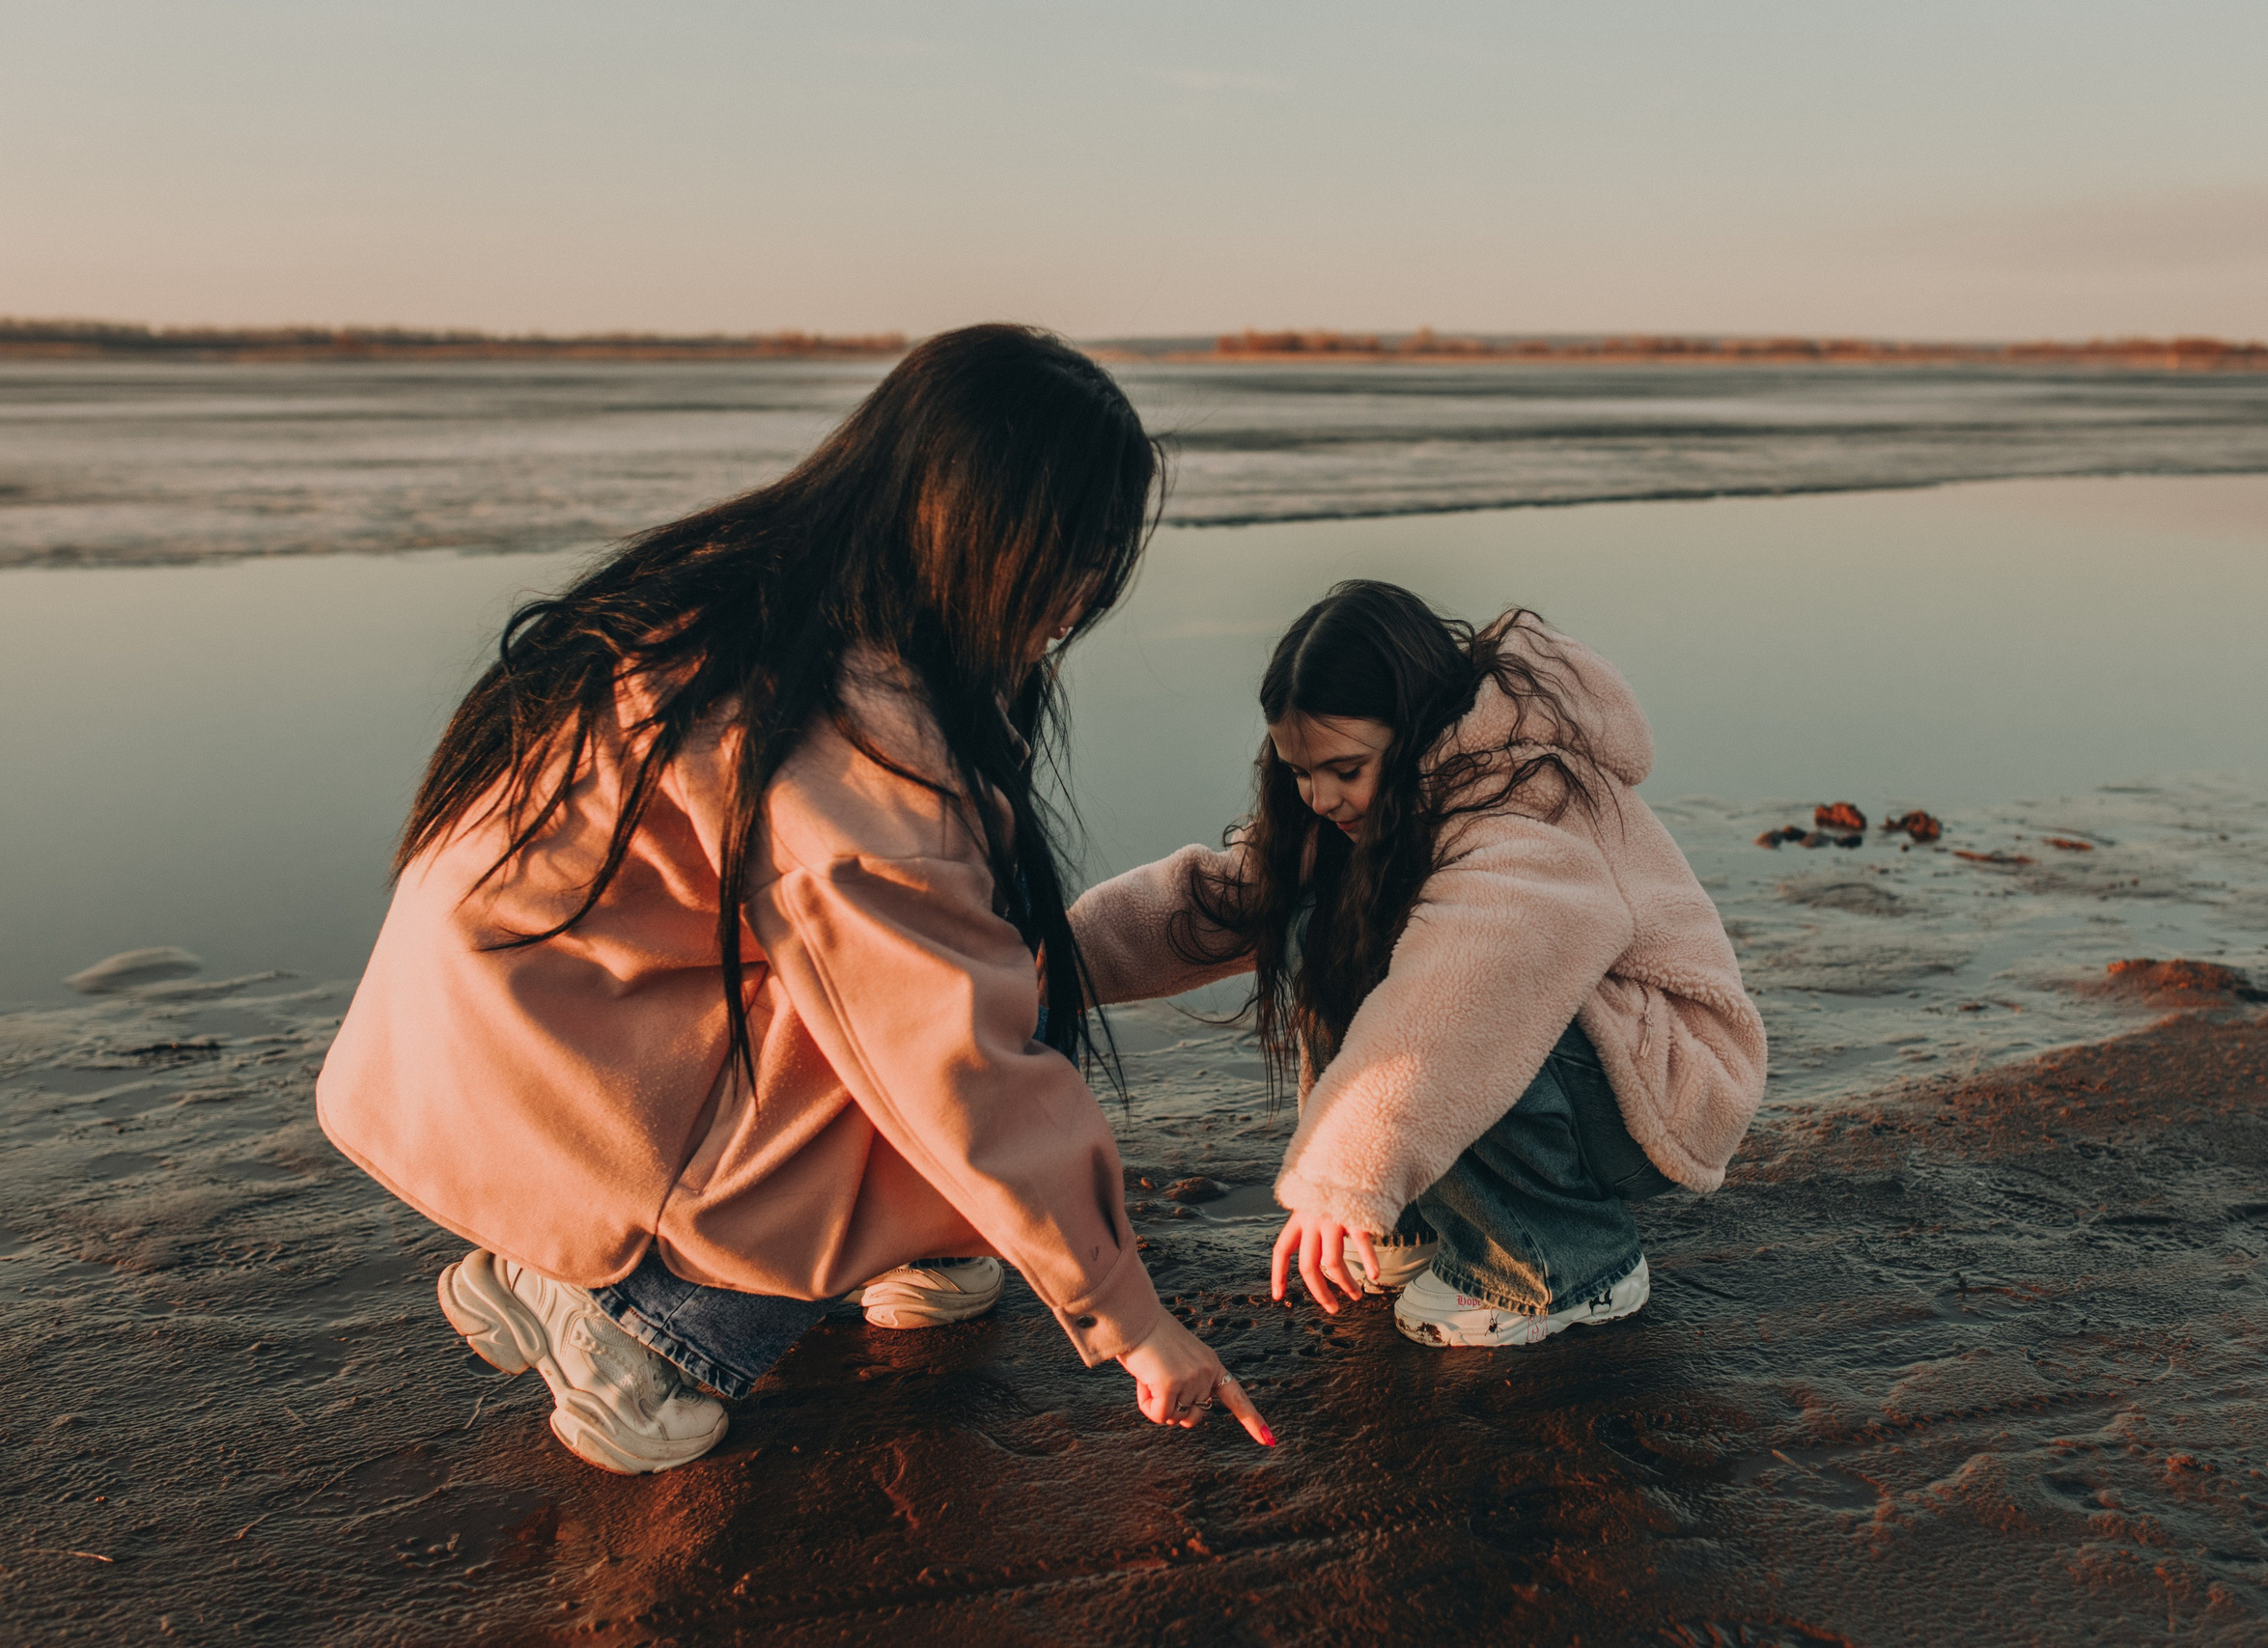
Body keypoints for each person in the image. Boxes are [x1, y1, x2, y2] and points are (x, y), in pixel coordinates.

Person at [317, 324, 1269, 1473]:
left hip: (495, 1038)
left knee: (944, 992)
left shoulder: (755, 590)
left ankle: (892, 1247)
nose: (1078, 602)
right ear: (995, 537)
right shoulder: (853, 733)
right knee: (921, 1048)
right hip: (562, 1079)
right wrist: (1134, 1322)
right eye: (1082, 556)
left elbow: (985, 943)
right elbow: (951, 1059)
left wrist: (1256, 898)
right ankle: (636, 1330)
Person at [1069, 580, 1765, 1348]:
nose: (1320, 796)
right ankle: (1421, 1219)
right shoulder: (1380, 802)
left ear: (1415, 721)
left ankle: (1567, 1266)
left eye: (1345, 768)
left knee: (1455, 987)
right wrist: (1051, 959)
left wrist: (1342, 1181)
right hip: (1564, 1054)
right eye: (1301, 771)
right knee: (1309, 916)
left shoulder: (1526, 803)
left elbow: (1456, 1000)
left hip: (1661, 1091)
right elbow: (1222, 897)